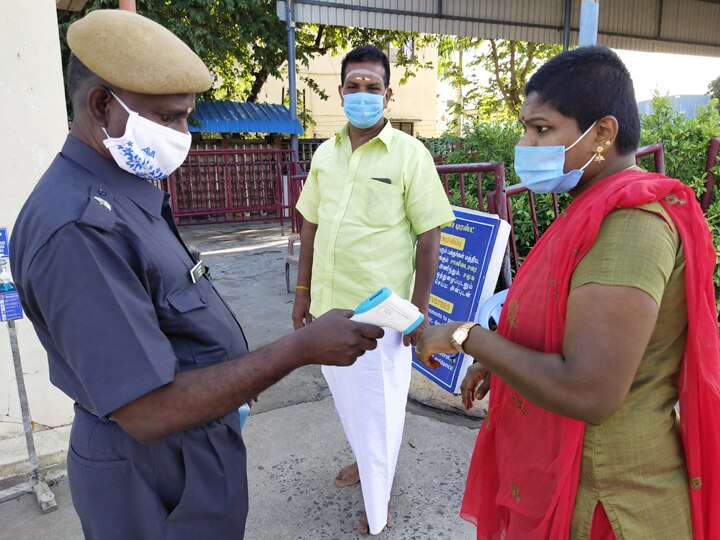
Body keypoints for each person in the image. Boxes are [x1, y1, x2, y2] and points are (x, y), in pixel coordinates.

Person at [10, 10, 383, 539]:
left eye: (186, 117)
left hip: (190, 456)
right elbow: (145, 410)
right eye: (168, 118)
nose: (182, 136)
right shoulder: (78, 228)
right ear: (100, 106)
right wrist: (295, 351)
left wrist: (233, 379)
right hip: (152, 480)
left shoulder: (125, 194)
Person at [415, 46, 720, 539]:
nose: (525, 144)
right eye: (525, 129)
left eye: (541, 129)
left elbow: (590, 390)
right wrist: (499, 364)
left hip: (611, 503)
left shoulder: (630, 225)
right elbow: (569, 333)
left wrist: (467, 337)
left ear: (602, 133)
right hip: (578, 477)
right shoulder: (590, 208)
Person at [291, 45, 455, 535]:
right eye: (354, 86)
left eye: (372, 87)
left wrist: (417, 314)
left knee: (381, 411)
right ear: (341, 91)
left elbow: (429, 238)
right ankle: (367, 465)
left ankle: (377, 507)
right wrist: (302, 292)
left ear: (388, 94)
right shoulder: (324, 153)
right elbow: (310, 227)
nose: (362, 95)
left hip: (383, 317)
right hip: (327, 309)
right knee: (346, 400)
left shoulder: (410, 155)